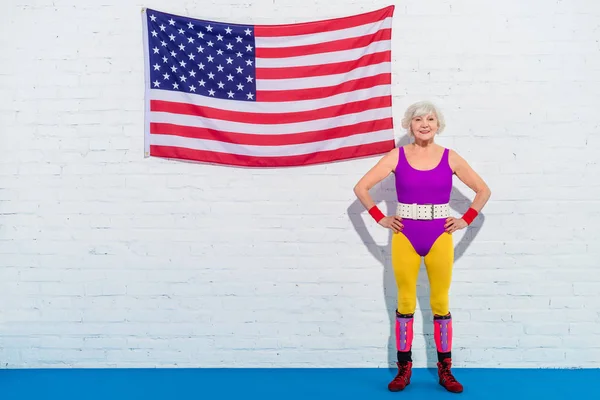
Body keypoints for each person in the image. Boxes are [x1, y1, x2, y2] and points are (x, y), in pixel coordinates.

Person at [353, 101, 491, 393]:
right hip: (405, 236)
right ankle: (404, 370)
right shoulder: (396, 156)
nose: (424, 124)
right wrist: (380, 217)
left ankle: (446, 371)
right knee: (405, 302)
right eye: (418, 119)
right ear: (409, 125)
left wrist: (465, 219)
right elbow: (361, 187)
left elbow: (483, 190)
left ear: (438, 124)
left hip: (439, 235)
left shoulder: (450, 158)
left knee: (439, 302)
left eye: (430, 119)